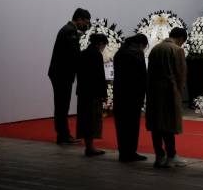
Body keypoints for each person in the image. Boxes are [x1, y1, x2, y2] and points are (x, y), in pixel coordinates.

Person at [47, 8, 92, 144]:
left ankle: (63, 134)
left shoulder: (67, 30)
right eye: (85, 22)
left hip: (60, 73)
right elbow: (74, 55)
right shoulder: (70, 31)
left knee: (61, 105)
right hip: (62, 74)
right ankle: (63, 135)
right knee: (62, 105)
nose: (86, 25)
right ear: (78, 19)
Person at [146, 27, 188, 169]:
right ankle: (171, 156)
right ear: (181, 39)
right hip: (169, 91)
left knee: (156, 125)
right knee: (169, 124)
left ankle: (159, 155)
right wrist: (179, 93)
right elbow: (181, 74)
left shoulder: (155, 49)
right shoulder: (177, 50)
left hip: (153, 91)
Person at [113, 33, 148, 162]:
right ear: (141, 45)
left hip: (120, 94)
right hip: (133, 95)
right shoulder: (137, 54)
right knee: (132, 125)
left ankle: (123, 152)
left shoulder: (120, 52)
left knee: (121, 125)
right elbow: (142, 76)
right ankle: (131, 152)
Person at [76, 33, 109, 157]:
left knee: (84, 118)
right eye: (104, 45)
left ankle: (88, 145)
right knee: (92, 119)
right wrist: (104, 94)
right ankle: (90, 147)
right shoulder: (96, 55)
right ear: (100, 44)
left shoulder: (83, 53)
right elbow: (100, 76)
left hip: (83, 91)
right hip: (93, 93)